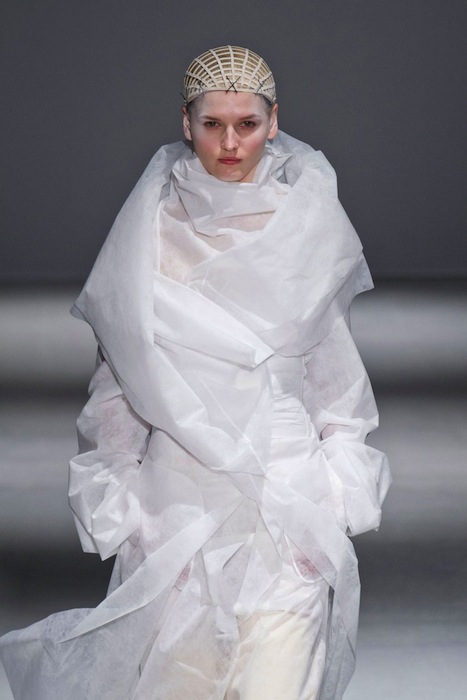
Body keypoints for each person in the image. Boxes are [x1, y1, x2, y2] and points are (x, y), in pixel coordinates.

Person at [0, 45, 390, 699]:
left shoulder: (306, 229)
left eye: (247, 124)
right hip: (178, 512)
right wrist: (133, 519)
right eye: (213, 124)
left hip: (284, 504)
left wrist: (330, 499)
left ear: (274, 121)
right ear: (186, 123)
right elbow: (117, 396)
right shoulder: (146, 235)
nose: (230, 143)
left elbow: (338, 390)